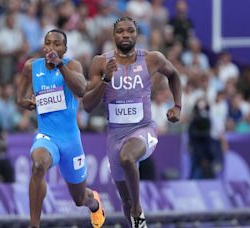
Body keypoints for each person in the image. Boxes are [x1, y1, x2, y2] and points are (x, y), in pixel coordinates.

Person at [82, 17, 182, 228]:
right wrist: (105, 80)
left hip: (143, 129)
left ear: (137, 34)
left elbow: (173, 75)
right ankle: (137, 218)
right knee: (124, 201)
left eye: (130, 31)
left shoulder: (151, 59)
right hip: (115, 135)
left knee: (127, 158)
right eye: (120, 31)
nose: (125, 35)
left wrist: (177, 106)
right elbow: (88, 105)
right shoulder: (101, 62)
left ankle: (138, 207)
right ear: (113, 35)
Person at [16, 29, 105, 228]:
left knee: (79, 198)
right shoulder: (32, 67)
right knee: (38, 165)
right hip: (47, 137)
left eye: (57, 44)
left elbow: (81, 90)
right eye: (48, 43)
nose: (52, 47)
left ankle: (95, 203)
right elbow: (19, 97)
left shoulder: (72, 65)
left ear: (64, 49)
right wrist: (25, 102)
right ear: (43, 45)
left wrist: (60, 65)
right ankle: (34, 225)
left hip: (71, 142)